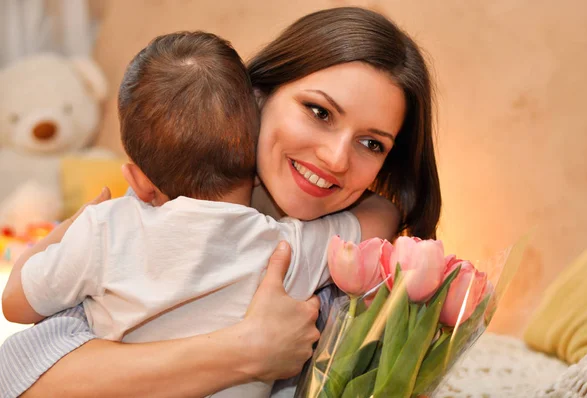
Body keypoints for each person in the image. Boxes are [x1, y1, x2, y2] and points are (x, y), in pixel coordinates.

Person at [0, 6, 441, 398]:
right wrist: (247, 350)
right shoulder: (149, 218)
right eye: (319, 112)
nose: (336, 158)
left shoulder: (356, 270)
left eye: (371, 143)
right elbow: (20, 370)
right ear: (255, 97)